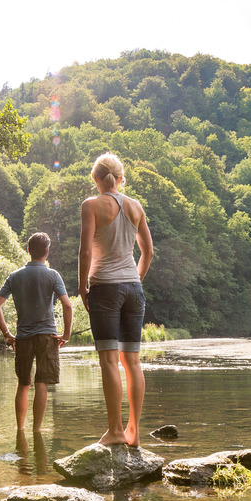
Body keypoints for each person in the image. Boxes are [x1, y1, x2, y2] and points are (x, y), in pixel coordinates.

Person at [79, 152, 155, 446]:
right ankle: (134, 433)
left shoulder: (91, 205)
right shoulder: (136, 207)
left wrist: (82, 287)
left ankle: (115, 431)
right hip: (133, 288)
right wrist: (135, 280)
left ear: (96, 179)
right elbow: (147, 252)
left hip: (105, 288)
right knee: (132, 362)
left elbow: (86, 252)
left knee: (109, 361)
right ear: (120, 178)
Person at [0, 232, 73, 438]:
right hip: (47, 337)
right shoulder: (53, 275)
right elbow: (67, 305)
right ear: (47, 252)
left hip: (23, 338)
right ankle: (37, 430)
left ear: (28, 250)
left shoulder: (15, 276)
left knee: (23, 384)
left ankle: (20, 430)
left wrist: (7, 334)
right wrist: (66, 334)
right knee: (41, 383)